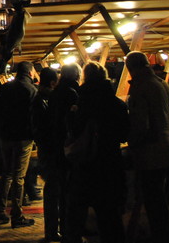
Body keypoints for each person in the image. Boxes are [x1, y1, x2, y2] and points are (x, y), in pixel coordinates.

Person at [64, 63, 129, 243]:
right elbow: (125, 133)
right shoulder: (117, 104)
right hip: (110, 164)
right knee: (110, 217)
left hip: (85, 166)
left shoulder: (81, 104)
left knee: (77, 214)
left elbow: (73, 132)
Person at [125, 51, 169, 243]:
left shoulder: (141, 87)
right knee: (163, 200)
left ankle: (161, 238)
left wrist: (131, 142)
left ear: (131, 68)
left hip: (151, 151)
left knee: (155, 203)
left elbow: (141, 124)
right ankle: (165, 236)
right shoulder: (163, 84)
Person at [0, 61, 37, 229]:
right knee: (19, 177)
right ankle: (17, 215)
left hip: (5, 136)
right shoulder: (31, 90)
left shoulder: (5, 88)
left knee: (7, 174)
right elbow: (34, 116)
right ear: (30, 73)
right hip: (23, 137)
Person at [47, 62, 81, 240]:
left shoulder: (55, 94)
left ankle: (55, 229)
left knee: (57, 190)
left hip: (55, 146)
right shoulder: (73, 94)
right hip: (69, 147)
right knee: (70, 190)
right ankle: (69, 229)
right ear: (76, 75)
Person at [31, 67, 61, 243]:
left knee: (51, 188)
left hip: (44, 149)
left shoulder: (37, 98)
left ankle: (51, 230)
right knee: (53, 189)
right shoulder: (47, 100)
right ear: (52, 82)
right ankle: (52, 230)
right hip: (51, 150)